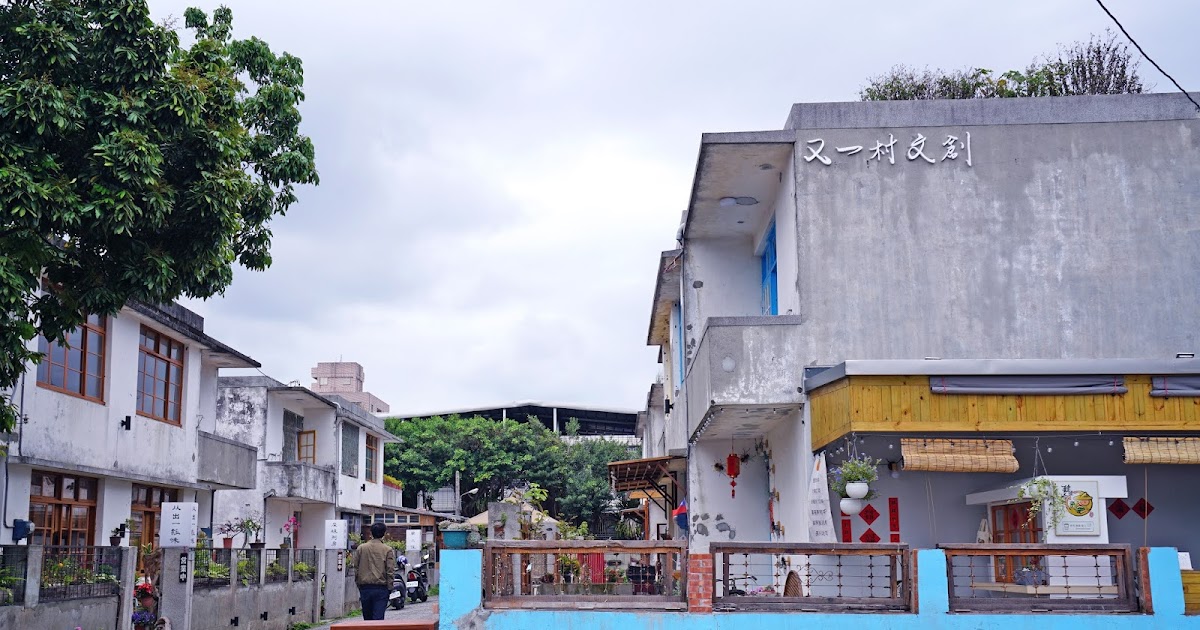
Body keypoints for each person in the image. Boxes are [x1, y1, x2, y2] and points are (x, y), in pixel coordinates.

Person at [352, 522, 396, 620]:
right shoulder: (387, 549)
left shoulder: (361, 548)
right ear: (384, 534)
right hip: (381, 588)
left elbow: (356, 568)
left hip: (365, 588)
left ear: (371, 533)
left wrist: (358, 584)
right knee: (378, 619)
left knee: (367, 619)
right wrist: (390, 587)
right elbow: (390, 570)